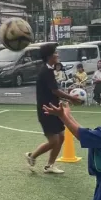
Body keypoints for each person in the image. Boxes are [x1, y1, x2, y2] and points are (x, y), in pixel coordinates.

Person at [25, 43, 82, 174]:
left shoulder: (49, 70)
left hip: (54, 108)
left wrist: (63, 100)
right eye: (55, 53)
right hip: (46, 110)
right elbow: (55, 91)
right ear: (50, 56)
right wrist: (71, 98)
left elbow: (52, 92)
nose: (57, 55)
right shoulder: (45, 71)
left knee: (61, 138)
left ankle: (50, 165)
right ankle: (32, 156)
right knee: (54, 140)